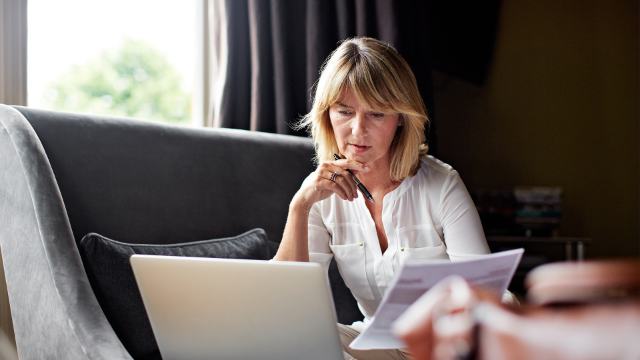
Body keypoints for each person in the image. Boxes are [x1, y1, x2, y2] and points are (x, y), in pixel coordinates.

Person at [273, 37, 490, 360]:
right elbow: (282, 304)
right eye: (345, 112)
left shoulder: (442, 185)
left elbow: (485, 294)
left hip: (445, 347)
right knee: (288, 339)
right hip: (377, 343)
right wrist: (300, 206)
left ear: (401, 117)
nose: (357, 130)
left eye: (376, 114)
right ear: (327, 115)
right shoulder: (319, 193)